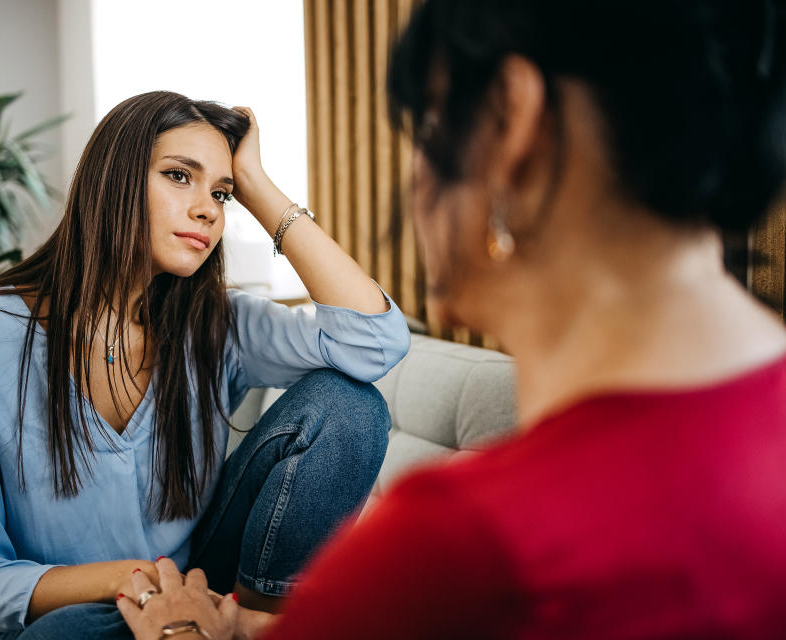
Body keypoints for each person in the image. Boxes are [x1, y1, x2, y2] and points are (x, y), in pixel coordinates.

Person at [115, 1, 786, 638]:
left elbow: (371, 337)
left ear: (511, 124)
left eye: (429, 129)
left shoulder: (453, 549)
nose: (413, 178)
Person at [0, 91, 410, 638]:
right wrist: (140, 583)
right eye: (180, 176)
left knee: (348, 406)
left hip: (211, 584)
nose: (208, 209)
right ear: (115, 178)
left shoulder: (213, 321)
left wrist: (260, 188)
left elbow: (375, 342)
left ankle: (258, 624)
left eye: (222, 192)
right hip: (81, 612)